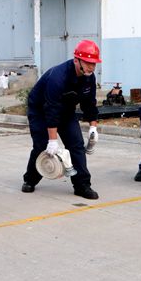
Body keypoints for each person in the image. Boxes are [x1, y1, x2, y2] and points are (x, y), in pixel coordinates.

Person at [21, 39, 102, 200]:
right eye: (88, 63)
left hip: (66, 110)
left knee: (76, 145)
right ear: (76, 60)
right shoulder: (58, 77)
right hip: (40, 110)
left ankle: (82, 185)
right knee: (41, 146)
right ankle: (30, 180)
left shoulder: (89, 77)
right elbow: (51, 109)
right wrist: (52, 141)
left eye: (94, 63)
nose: (92, 67)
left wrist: (93, 127)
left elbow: (89, 104)